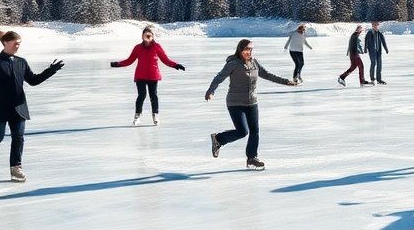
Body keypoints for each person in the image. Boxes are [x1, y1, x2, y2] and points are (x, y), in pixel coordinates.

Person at [0, 30, 64, 183]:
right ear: (6, 43)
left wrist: (50, 71)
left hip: (18, 106)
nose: (18, 46)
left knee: (18, 137)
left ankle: (16, 168)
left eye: (19, 44)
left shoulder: (21, 62)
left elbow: (33, 80)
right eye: (16, 43)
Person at [205, 39, 295, 170]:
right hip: (235, 102)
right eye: (247, 49)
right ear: (240, 50)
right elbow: (219, 77)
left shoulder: (254, 62)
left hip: (252, 102)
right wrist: (211, 91)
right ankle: (219, 139)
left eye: (251, 49)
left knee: (255, 131)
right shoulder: (233, 64)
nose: (249, 52)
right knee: (242, 131)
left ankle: (252, 158)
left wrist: (285, 81)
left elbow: (267, 75)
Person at [109, 25, 184, 125]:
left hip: (153, 76)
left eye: (150, 36)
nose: (148, 38)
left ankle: (155, 115)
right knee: (142, 95)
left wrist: (176, 65)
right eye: (146, 35)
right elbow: (129, 60)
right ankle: (137, 116)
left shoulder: (157, 47)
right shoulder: (138, 48)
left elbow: (165, 59)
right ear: (142, 37)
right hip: (140, 76)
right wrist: (117, 64)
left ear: (153, 36)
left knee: (153, 96)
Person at [365, 20, 389, 85]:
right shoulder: (369, 33)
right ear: (372, 25)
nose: (376, 26)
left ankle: (379, 79)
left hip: (378, 51)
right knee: (373, 63)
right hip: (372, 51)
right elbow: (366, 41)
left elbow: (383, 41)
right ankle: (372, 78)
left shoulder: (379, 33)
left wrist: (386, 49)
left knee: (379, 64)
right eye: (375, 25)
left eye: (377, 25)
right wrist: (365, 49)